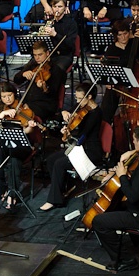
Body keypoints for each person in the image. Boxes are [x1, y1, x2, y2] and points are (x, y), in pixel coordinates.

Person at [91, 124, 139, 271]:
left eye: (134, 140)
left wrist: (122, 176)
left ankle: (126, 259)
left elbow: (132, 197)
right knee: (114, 204)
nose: (133, 143)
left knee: (98, 221)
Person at [40, 82, 104, 211]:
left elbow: (83, 134)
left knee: (59, 163)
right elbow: (68, 112)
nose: (78, 101)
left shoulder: (96, 113)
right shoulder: (81, 107)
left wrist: (69, 131)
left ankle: (54, 200)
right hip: (80, 147)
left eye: (80, 98)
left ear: (89, 97)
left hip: (90, 150)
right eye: (77, 98)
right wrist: (64, 113)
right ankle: (64, 189)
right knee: (52, 159)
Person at [0, 81, 38, 211]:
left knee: (15, 160)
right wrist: (2, 114)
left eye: (9, 95)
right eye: (4, 96)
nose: (7, 99)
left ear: (14, 94)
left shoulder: (23, 107)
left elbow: (26, 132)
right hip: (4, 144)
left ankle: (12, 194)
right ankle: (2, 190)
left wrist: (30, 127)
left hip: (20, 145)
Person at [100, 19, 139, 120]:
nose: (123, 37)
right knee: (108, 101)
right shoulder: (112, 49)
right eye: (120, 35)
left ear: (129, 32)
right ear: (116, 35)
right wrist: (108, 80)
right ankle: (105, 125)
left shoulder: (136, 43)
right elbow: (107, 67)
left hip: (138, 82)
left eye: (125, 34)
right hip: (119, 84)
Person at [13, 39, 66, 123]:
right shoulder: (32, 64)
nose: (37, 58)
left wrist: (44, 88)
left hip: (45, 105)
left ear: (47, 53)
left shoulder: (56, 70)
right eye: (35, 55)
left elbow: (53, 93)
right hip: (28, 102)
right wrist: (23, 74)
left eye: (40, 55)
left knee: (24, 115)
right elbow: (16, 80)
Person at [37, 0, 78, 74]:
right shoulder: (49, 22)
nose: (57, 9)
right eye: (54, 6)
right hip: (49, 55)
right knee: (27, 70)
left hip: (64, 56)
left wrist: (55, 34)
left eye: (60, 7)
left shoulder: (71, 23)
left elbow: (70, 44)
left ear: (65, 8)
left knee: (56, 70)